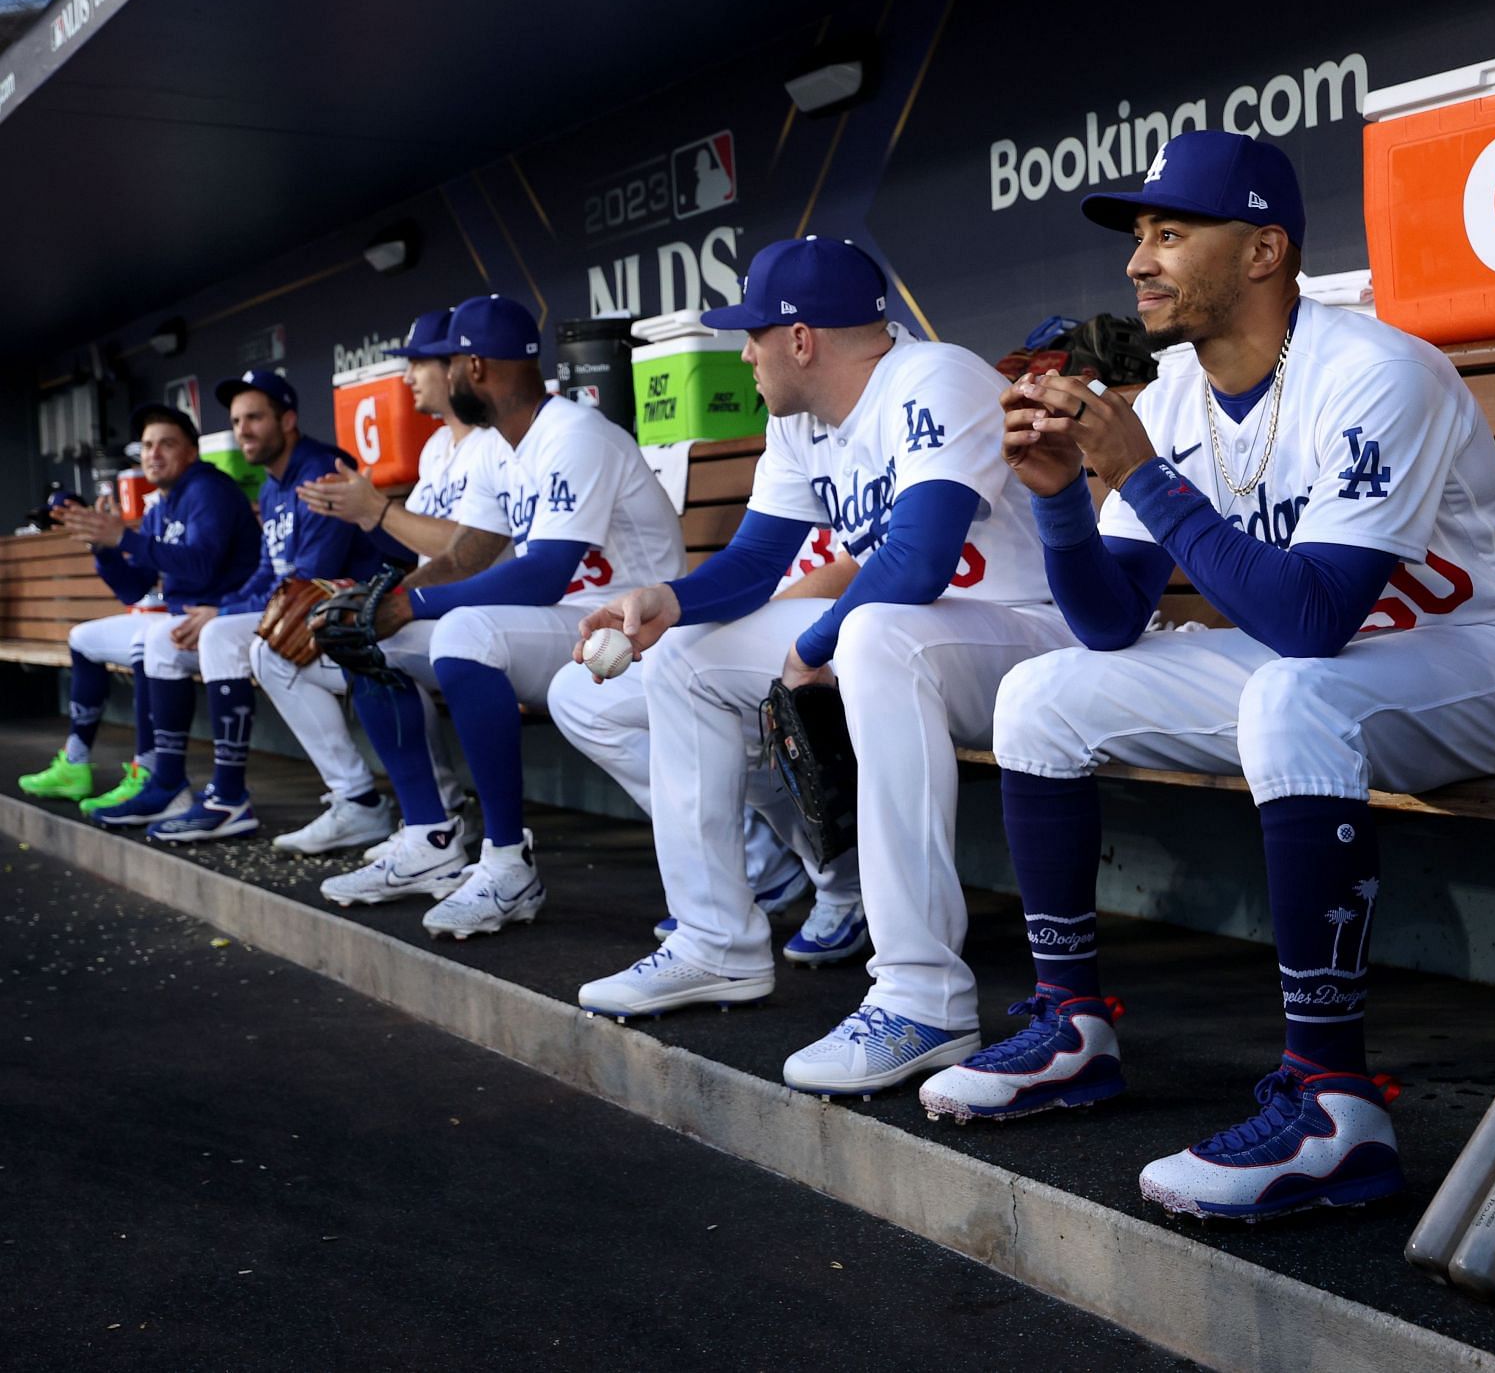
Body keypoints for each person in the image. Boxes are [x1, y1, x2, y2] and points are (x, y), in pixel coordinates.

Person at [917, 130, 1495, 1222]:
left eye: (1172, 233)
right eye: (1139, 235)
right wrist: (1056, 496)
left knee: (1293, 690)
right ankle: (1069, 1026)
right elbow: (1106, 620)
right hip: (1337, 664)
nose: (1139, 262)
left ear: (1265, 250)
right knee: (1042, 694)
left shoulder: (1375, 373)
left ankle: (1334, 1108)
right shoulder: (1175, 394)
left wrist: (1139, 471)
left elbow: (1311, 620)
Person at [569, 236, 1072, 1099]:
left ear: (801, 338)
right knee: (687, 656)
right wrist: (668, 599)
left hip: (1026, 643)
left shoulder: (933, 378)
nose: (744, 351)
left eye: (754, 333)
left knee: (873, 632)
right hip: (913, 641)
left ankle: (924, 994)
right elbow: (757, 563)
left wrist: (810, 649)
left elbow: (916, 561)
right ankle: (714, 941)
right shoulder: (800, 419)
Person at [316, 293, 683, 941]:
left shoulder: (575, 433)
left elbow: (541, 573)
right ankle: (429, 836)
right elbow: (466, 558)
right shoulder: (496, 446)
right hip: (563, 628)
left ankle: (507, 862)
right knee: (367, 642)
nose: (446, 375)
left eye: (451, 363)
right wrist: (383, 607)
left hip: (635, 628)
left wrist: (412, 605)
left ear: (476, 368)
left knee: (461, 630)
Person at [253, 308, 514, 855]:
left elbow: (471, 549)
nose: (407, 378)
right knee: (333, 634)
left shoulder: (494, 444)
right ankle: (406, 810)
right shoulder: (435, 448)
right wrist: (357, 533)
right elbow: (413, 545)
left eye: (419, 363)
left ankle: (436, 821)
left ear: (456, 368)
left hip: (485, 607)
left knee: (372, 638)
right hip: (438, 607)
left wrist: (375, 511)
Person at [546, 534, 866, 962]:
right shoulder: (790, 467)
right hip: (760, 622)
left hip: (841, 631)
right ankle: (753, 858)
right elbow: (751, 555)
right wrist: (675, 605)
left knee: (724, 691)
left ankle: (846, 883)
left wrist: (735, 628)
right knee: (575, 695)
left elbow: (859, 565)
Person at [103, 371, 392, 841]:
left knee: (221, 635)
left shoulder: (320, 469)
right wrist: (221, 607)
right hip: (289, 610)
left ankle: (232, 796)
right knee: (165, 637)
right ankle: (171, 781)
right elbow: (265, 572)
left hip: (340, 612)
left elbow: (308, 580)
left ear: (289, 419)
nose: (244, 430)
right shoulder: (273, 485)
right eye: (237, 421)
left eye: (255, 417)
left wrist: (221, 615)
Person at [17, 404, 258, 820]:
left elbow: (202, 564)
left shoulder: (208, 490)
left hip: (230, 616)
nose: (154, 454)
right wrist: (106, 548)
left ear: (191, 453)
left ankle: (149, 773)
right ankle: (75, 763)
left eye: (167, 444)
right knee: (83, 638)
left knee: (151, 638)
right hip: (184, 618)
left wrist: (125, 538)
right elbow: (135, 585)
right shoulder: (160, 505)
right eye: (147, 445)